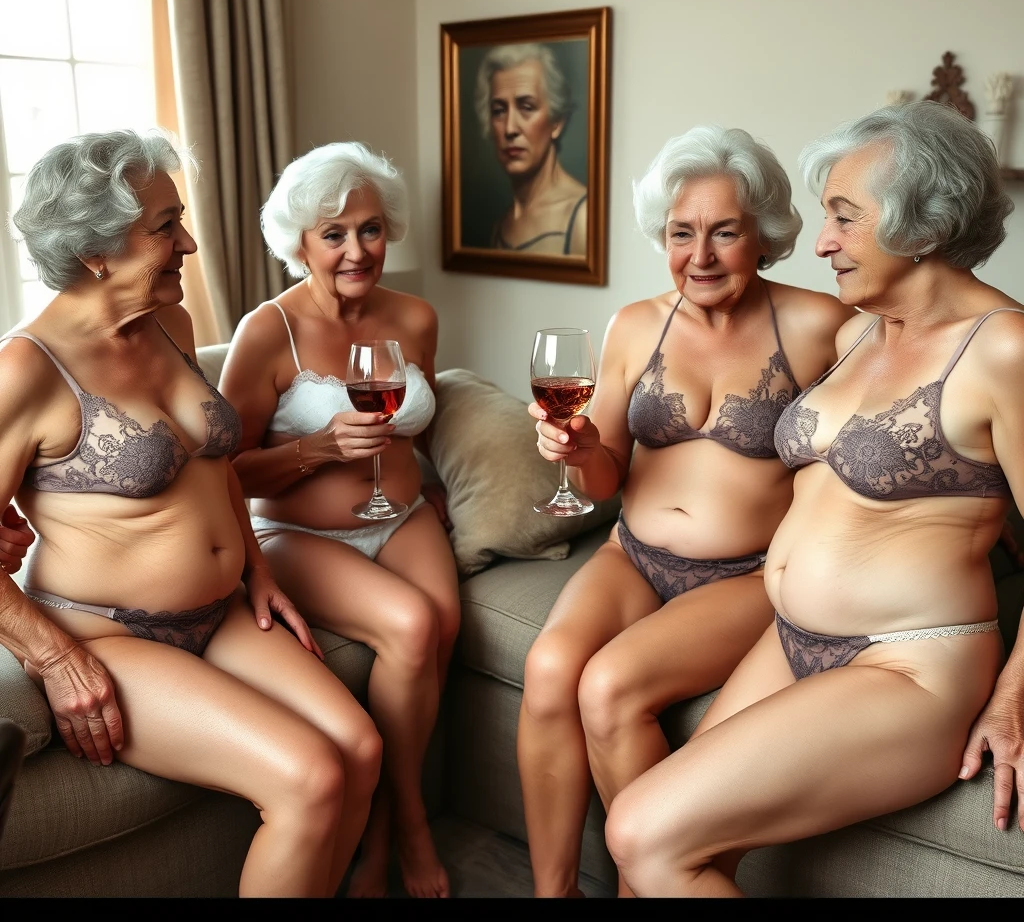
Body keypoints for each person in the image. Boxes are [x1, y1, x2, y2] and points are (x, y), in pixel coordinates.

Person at [603, 100, 1024, 896]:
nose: (821, 241)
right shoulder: (859, 331)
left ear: (923, 224)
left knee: (639, 831)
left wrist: (1013, 699)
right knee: (656, 861)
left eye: (844, 217)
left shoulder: (1004, 346)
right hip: (790, 640)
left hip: (910, 668)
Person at [0, 129, 383, 897]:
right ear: (96, 252)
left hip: (227, 610)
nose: (190, 242)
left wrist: (259, 567)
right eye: (164, 225)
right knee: (309, 777)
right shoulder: (26, 370)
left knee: (361, 746)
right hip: (108, 629)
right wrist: (55, 658)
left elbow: (211, 468)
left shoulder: (169, 324)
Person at [518, 125, 855, 897]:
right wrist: (575, 451)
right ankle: (553, 893)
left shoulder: (817, 326)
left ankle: (647, 886)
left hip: (744, 574)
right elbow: (606, 476)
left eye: (724, 232)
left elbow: (896, 422)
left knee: (609, 684)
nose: (699, 255)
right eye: (681, 233)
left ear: (764, 235)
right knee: (547, 668)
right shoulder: (636, 324)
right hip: (631, 553)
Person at [219, 141, 459, 899]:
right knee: (413, 625)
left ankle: (385, 827)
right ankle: (410, 824)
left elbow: (417, 427)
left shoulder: (416, 316)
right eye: (335, 234)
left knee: (446, 627)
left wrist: (436, 495)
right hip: (298, 533)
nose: (358, 250)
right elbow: (222, 468)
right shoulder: (268, 332)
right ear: (299, 243)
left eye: (372, 229)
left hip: (403, 512)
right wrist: (319, 448)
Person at [474, 43, 587, 255]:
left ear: (557, 121)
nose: (509, 128)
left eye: (527, 107)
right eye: (499, 111)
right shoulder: (501, 224)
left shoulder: (582, 217)